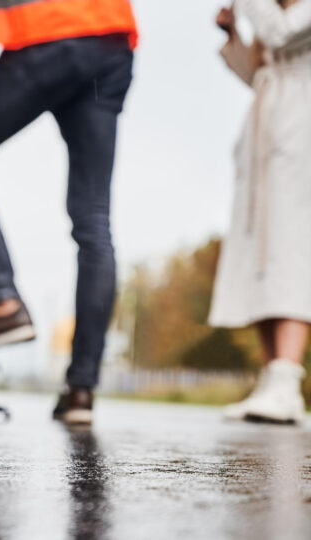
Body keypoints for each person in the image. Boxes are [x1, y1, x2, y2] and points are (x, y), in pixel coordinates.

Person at [0, 0, 138, 425]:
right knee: (94, 221)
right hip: (111, 39)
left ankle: (3, 301)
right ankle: (81, 389)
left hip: (45, 32)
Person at [211, 0, 311, 424]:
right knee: (261, 250)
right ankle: (272, 380)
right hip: (264, 132)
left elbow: (282, 33)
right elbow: (257, 74)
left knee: (291, 245)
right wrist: (232, 37)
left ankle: (287, 380)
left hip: (301, 127)